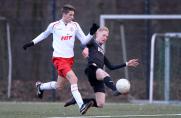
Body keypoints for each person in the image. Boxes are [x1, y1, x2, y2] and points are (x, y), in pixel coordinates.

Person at [22, 4, 99, 115]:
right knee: (74, 78)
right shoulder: (54, 25)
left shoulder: (75, 25)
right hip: (59, 59)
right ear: (64, 14)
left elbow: (84, 41)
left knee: (59, 86)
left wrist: (91, 33)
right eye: (70, 15)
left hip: (69, 60)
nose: (72, 17)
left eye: (73, 15)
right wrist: (31, 43)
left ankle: (41, 86)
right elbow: (44, 35)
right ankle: (81, 105)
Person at [64, 26, 139, 109]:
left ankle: (77, 100)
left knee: (100, 104)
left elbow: (111, 67)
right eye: (104, 35)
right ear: (97, 34)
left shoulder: (102, 51)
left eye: (107, 36)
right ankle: (115, 89)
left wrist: (127, 63)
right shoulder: (92, 42)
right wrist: (85, 48)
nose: (105, 38)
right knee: (103, 73)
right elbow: (83, 44)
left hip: (98, 76)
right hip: (92, 69)